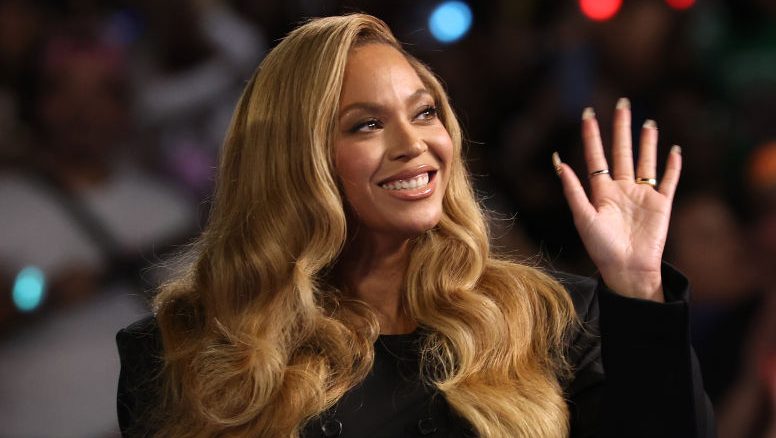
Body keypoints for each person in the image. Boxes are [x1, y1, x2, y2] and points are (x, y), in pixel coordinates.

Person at [116, 14, 714, 437]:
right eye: (366, 125)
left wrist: (637, 289)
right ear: (294, 160)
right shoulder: (181, 350)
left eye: (424, 112)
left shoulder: (555, 322)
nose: (414, 145)